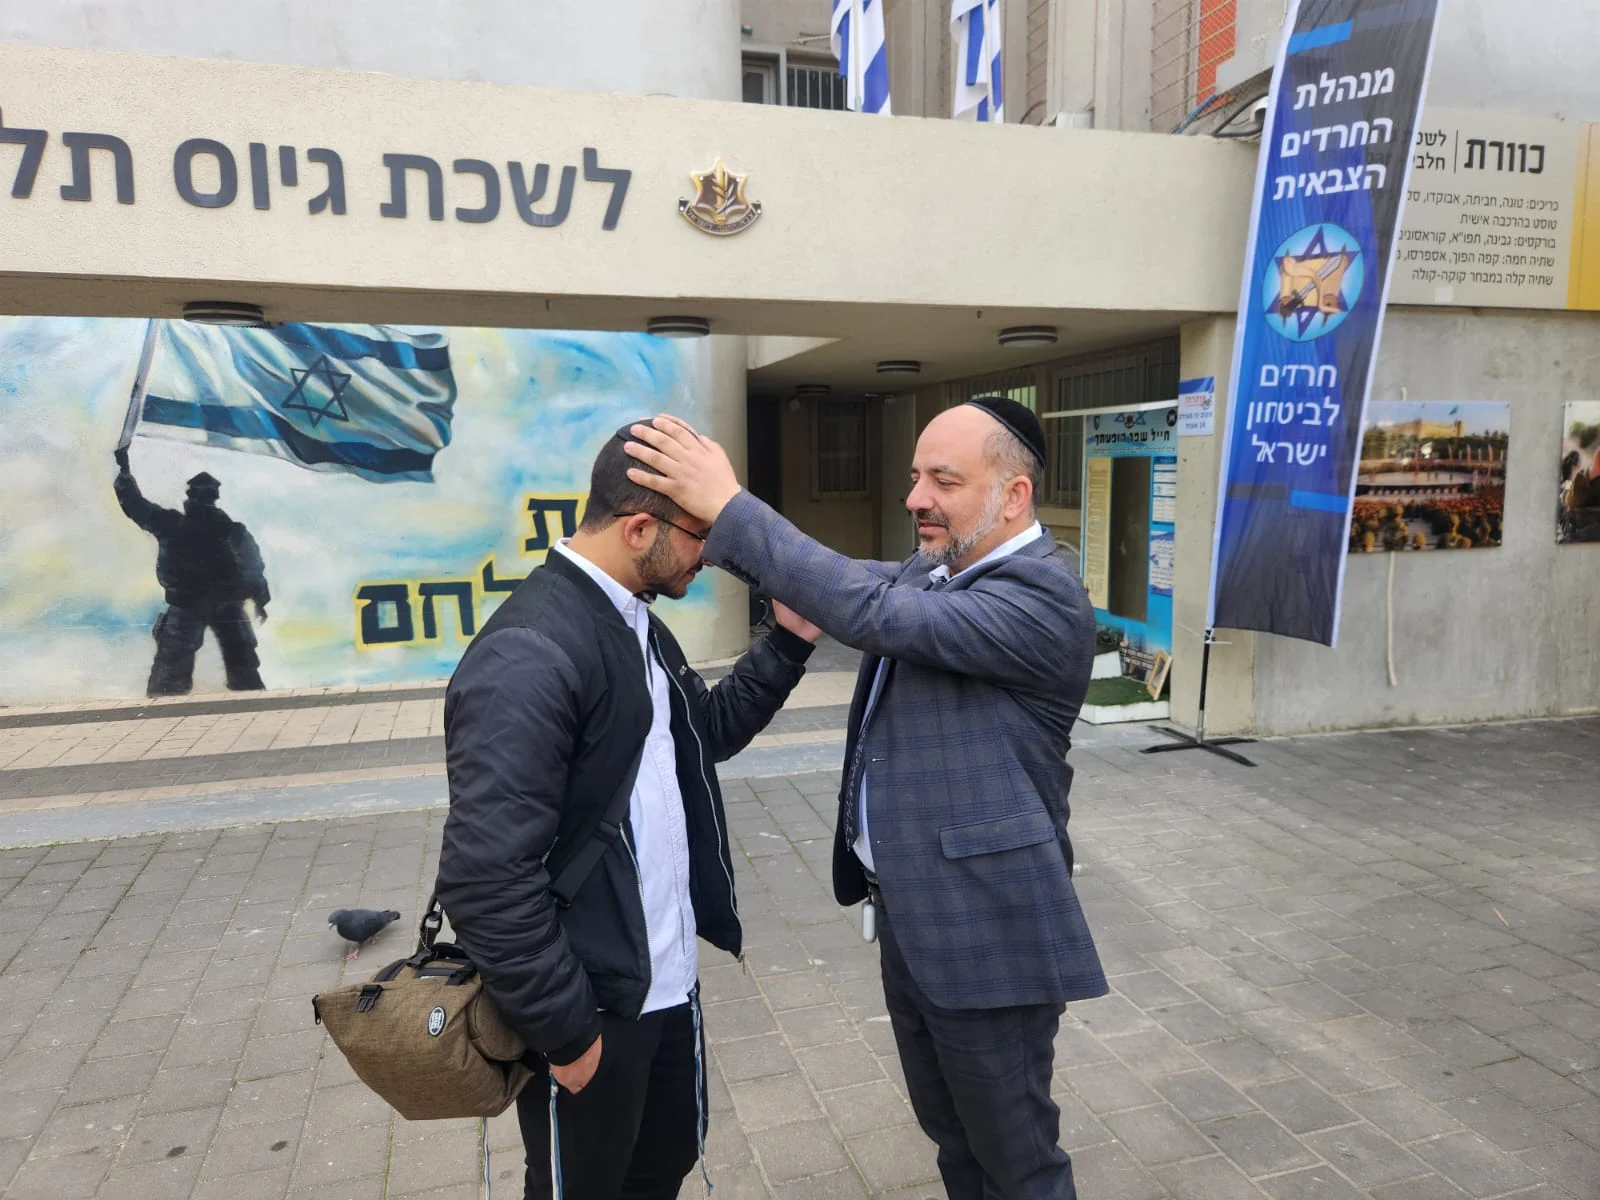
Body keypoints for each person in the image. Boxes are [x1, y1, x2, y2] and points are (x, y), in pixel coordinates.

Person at [624, 400, 1107, 1200]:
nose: (916, 497)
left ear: (1014, 496)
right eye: (915, 476)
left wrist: (731, 504)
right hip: (918, 919)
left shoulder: (1043, 598)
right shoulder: (937, 570)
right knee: (955, 1139)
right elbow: (836, 582)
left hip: (988, 931)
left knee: (1018, 1160)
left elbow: (866, 607)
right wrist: (714, 545)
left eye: (942, 479)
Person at [434, 425, 821, 1200]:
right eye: (705, 538)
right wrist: (565, 1029)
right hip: (591, 1003)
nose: (712, 558)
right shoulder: (530, 652)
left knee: (660, 1167)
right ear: (640, 529)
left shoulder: (632, 618)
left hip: (662, 986)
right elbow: (483, 878)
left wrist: (788, 642)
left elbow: (701, 734)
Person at [113, 449, 270, 695]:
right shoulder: (226, 529)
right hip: (210, 602)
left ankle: (166, 701)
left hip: (196, 602)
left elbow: (136, 506)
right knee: (236, 664)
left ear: (192, 497)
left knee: (177, 671)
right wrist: (260, 598)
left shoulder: (176, 524)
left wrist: (124, 473)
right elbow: (252, 567)